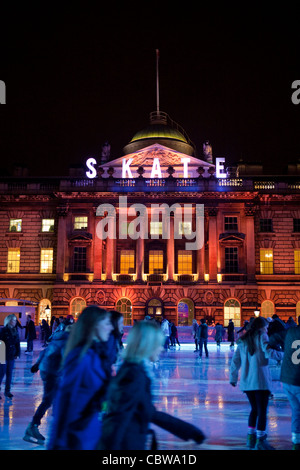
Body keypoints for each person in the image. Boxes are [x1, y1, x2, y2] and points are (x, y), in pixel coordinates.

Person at [98, 321, 205, 450]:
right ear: (147, 345)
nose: (161, 348)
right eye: (158, 344)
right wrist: (190, 431)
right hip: (126, 442)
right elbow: (124, 415)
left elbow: (143, 410)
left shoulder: (133, 369)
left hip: (131, 437)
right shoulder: (134, 374)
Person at [47, 306, 113, 450]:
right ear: (94, 325)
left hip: (92, 431)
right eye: (107, 323)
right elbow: (63, 399)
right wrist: (56, 442)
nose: (111, 328)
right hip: (77, 434)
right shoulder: (80, 357)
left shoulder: (97, 355)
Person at [229, 316, 284, 450]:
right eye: (266, 326)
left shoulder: (242, 340)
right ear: (261, 327)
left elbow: (235, 361)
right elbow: (268, 352)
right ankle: (260, 439)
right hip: (260, 381)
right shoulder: (262, 336)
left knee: (254, 410)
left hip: (247, 382)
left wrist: (233, 377)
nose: (267, 329)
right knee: (262, 411)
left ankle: (250, 437)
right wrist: (283, 355)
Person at [23, 321, 73, 444]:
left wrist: (37, 364)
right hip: (52, 372)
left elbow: (44, 352)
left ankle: (53, 426)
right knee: (49, 400)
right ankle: (34, 426)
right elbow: (66, 359)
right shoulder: (66, 340)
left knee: (53, 399)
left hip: (48, 371)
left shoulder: (57, 337)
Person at [280, 321, 300, 449]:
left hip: (287, 379)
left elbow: (274, 337)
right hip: (298, 379)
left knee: (296, 410)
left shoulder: (290, 331)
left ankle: (296, 439)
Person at [0, 314, 20, 398]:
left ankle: (7, 391)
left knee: (9, 374)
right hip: (3, 355)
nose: (15, 322)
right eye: (13, 320)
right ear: (9, 321)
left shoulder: (15, 331)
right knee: (1, 374)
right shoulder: (3, 330)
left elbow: (17, 344)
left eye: (15, 320)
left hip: (11, 355)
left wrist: (17, 353)